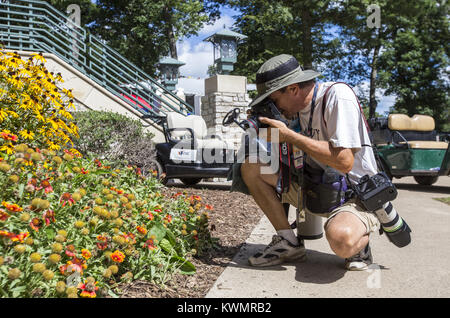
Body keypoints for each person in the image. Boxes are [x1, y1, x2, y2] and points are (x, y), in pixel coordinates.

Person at [230, 54, 380, 270]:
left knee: (342, 240)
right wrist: (262, 127)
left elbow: (344, 161)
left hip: (354, 194)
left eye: (274, 101)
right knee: (252, 166)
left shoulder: (337, 95)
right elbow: (288, 149)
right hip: (314, 186)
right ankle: (288, 242)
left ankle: (359, 244)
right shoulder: (293, 113)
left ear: (292, 89)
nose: (276, 108)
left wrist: (289, 135)